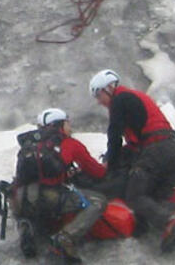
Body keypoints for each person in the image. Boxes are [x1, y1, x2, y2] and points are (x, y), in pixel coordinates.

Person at [89, 69, 175, 251]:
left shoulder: (119, 100)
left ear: (108, 88)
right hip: (173, 148)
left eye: (98, 95)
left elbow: (114, 135)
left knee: (134, 195)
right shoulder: (135, 97)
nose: (99, 102)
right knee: (160, 194)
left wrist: (109, 162)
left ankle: (170, 221)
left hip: (156, 150)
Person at [10, 108, 107, 262]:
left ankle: (25, 226)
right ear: (59, 125)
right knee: (98, 202)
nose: (70, 127)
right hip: (49, 196)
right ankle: (65, 237)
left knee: (27, 203)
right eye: (67, 123)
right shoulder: (70, 143)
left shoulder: (29, 145)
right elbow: (97, 172)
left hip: (21, 198)